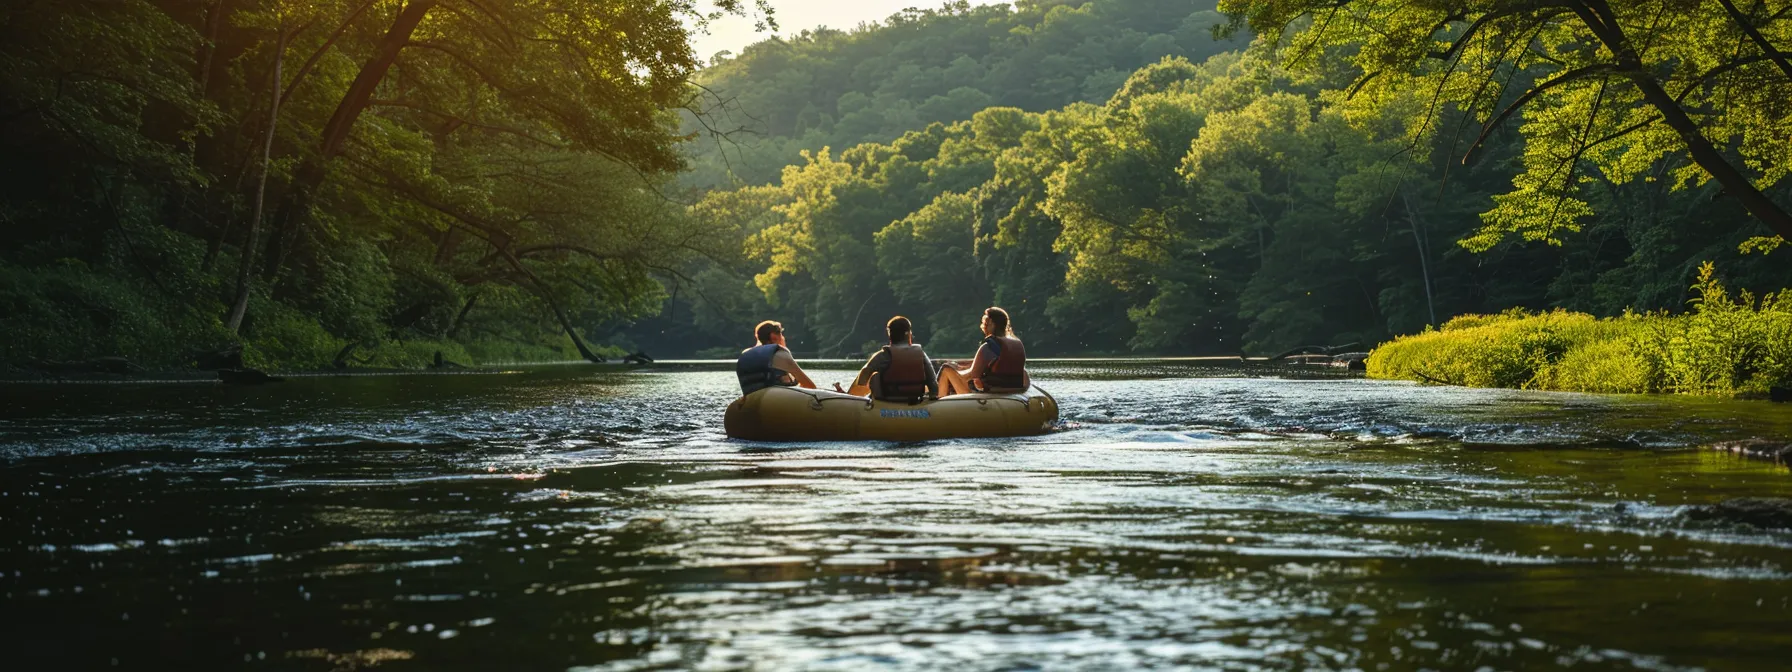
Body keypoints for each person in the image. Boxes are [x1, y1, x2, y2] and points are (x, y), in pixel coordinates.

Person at [841, 316, 938, 401]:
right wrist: (933, 396)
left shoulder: (883, 356)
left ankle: (858, 399)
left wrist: (862, 389)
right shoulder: (921, 354)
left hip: (886, 400)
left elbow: (863, 376)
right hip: (914, 398)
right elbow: (932, 382)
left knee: (875, 376)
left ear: (890, 334)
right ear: (908, 333)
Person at [937, 306, 1029, 396]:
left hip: (989, 394)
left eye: (985, 323)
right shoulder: (1015, 345)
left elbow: (971, 376)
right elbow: (1023, 374)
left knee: (946, 370)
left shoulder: (988, 347)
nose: (983, 326)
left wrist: (955, 370)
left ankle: (937, 404)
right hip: (1009, 393)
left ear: (992, 323)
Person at [736, 320, 817, 395]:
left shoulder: (746, 355)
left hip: (752, 401)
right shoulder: (780, 354)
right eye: (781, 334)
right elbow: (810, 386)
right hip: (776, 401)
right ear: (773, 336)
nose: (783, 338)